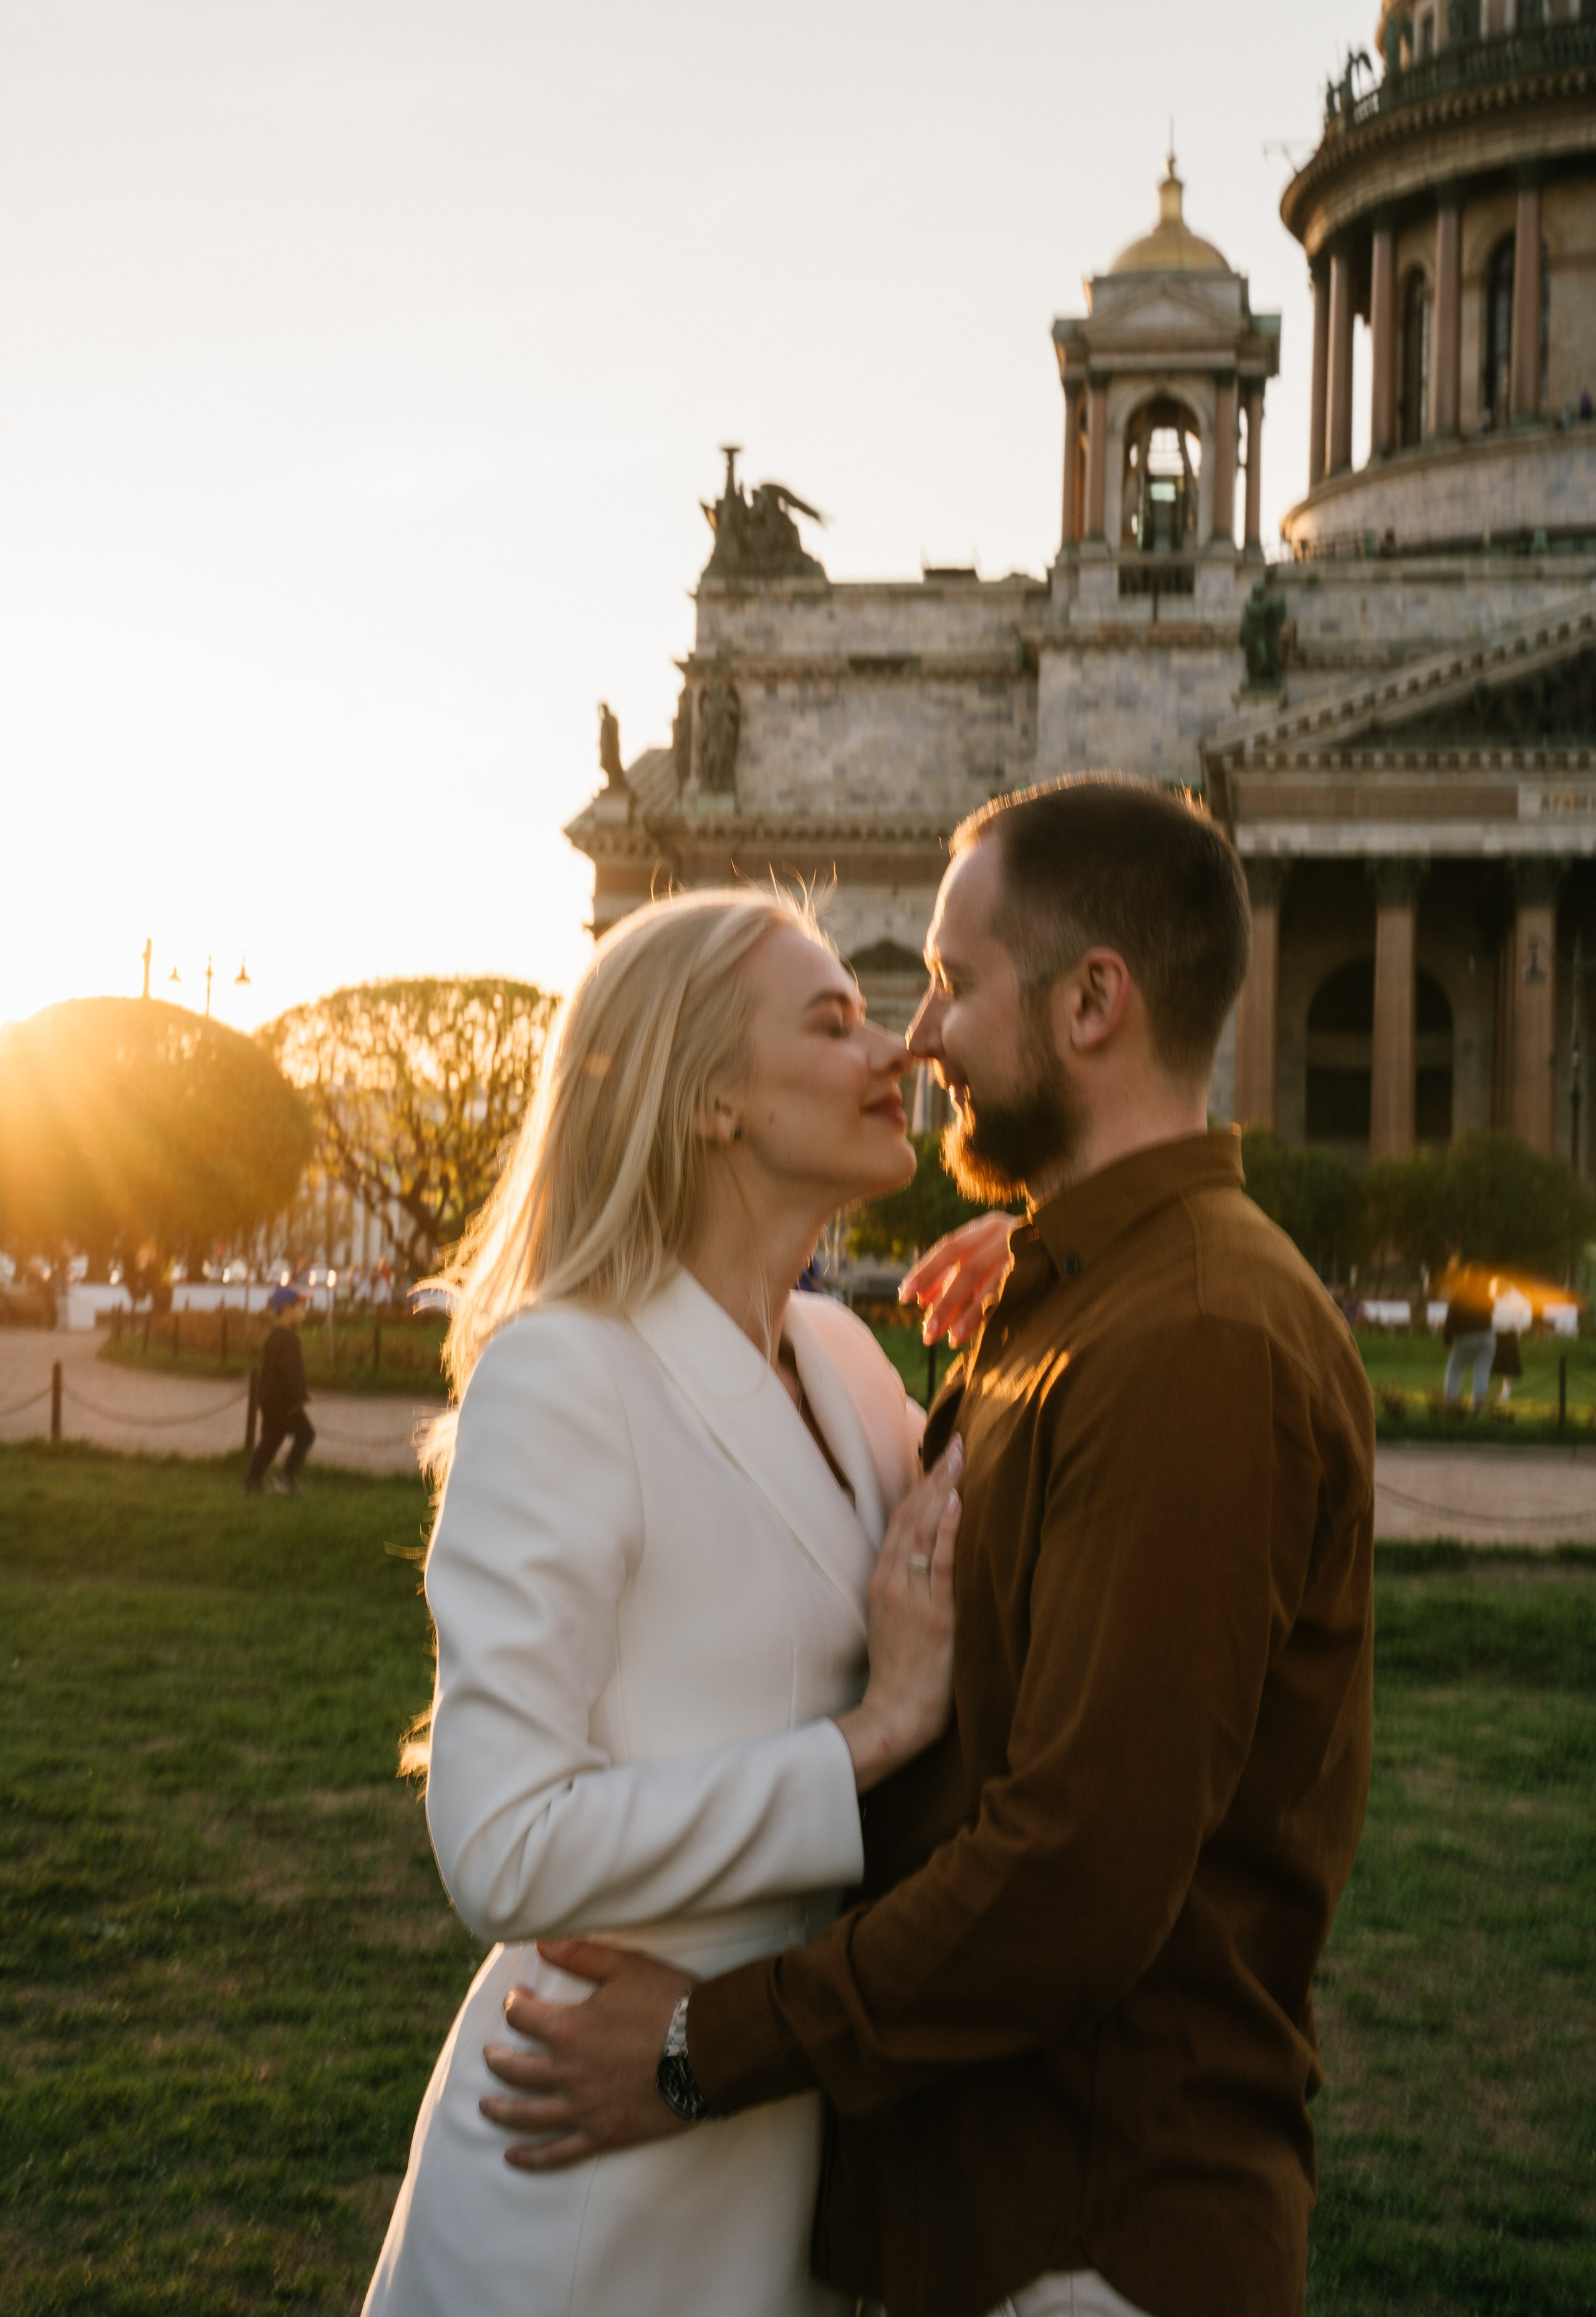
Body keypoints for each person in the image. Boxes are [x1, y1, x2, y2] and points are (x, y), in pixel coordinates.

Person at [482, 775, 1377, 2317]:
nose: (919, 1036)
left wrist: (702, 2045)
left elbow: (1074, 1877)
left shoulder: (1193, 1335)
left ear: (1092, 1001)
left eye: (951, 984)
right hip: (948, 2203)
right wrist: (1042, 1251)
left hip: (1084, 2231)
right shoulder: (1063, 1307)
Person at [363, 887, 966, 2317]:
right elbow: (501, 1845)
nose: (895, 1049)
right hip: (590, 2186)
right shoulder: (563, 1372)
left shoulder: (840, 1355)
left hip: (769, 2111)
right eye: (830, 1021)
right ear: (707, 1101)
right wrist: (862, 1744)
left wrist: (1050, 1278)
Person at [243, 1285, 315, 1495]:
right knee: (306, 1435)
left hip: (270, 1400)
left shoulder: (274, 1336)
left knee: (270, 1441)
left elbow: (274, 1373)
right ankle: (286, 1477)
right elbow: (290, 1373)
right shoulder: (290, 1340)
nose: (304, 1313)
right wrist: (296, 1400)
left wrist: (302, 1393)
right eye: (301, 1308)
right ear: (287, 1310)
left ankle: (252, 1482)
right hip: (285, 1404)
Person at [1441, 1269, 1496, 1409]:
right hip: (1487, 1337)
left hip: (1466, 1338)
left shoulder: (1459, 1297)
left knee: (1454, 1370)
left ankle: (1452, 1404)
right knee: (1482, 1372)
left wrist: (1448, 1340)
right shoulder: (1487, 1297)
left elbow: (1450, 1320)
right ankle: (1478, 1406)